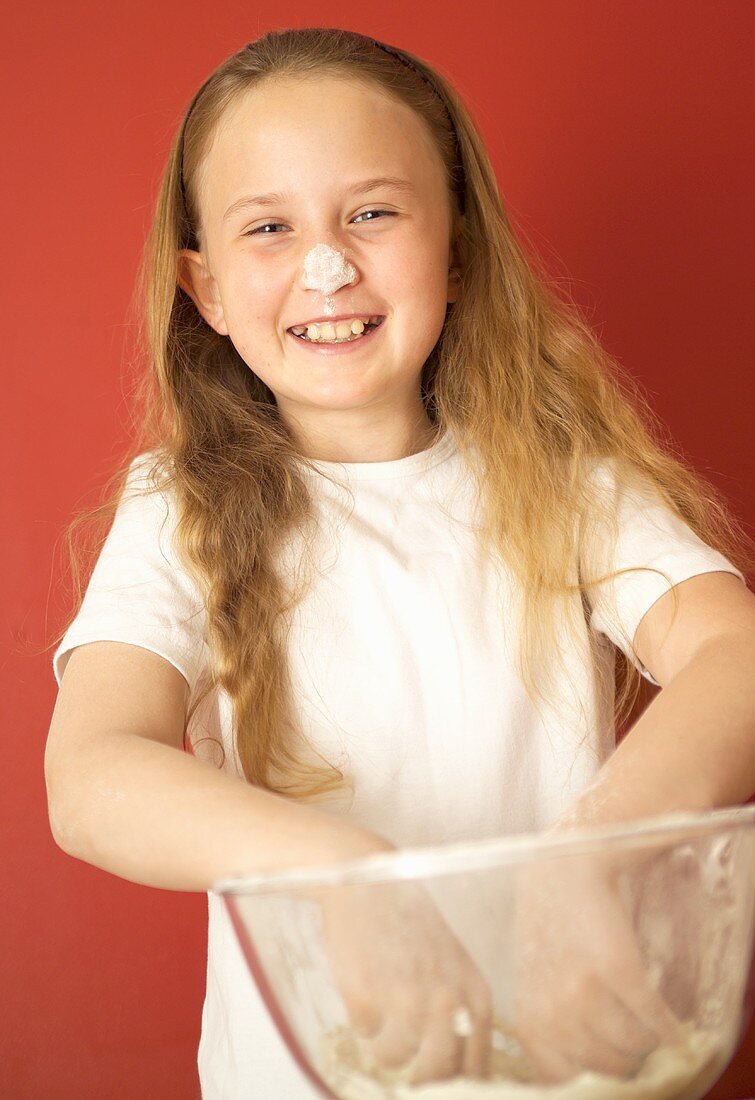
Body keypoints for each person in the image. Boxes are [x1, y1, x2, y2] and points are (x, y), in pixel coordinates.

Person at [44, 26, 755, 1099]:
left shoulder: (563, 476)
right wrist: (348, 878)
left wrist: (591, 858)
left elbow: (733, 653)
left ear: (457, 251)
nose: (327, 264)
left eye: (371, 213)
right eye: (268, 228)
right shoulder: (180, 505)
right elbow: (90, 776)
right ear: (206, 288)